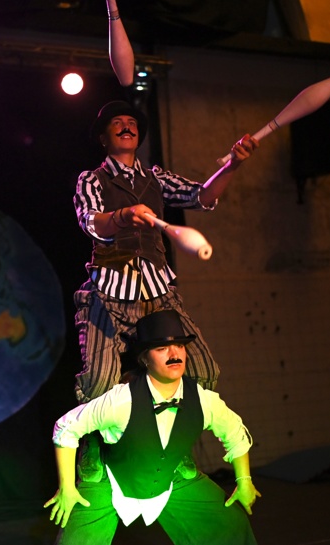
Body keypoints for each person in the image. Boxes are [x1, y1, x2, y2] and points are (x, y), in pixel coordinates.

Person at [73, 99, 258, 480]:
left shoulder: (155, 178)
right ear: (104, 138)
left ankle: (175, 442)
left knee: (203, 371)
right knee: (99, 380)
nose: (126, 126)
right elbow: (92, 222)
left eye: (131, 122)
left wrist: (232, 165)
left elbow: (202, 197)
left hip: (158, 292)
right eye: (117, 123)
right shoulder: (91, 180)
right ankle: (93, 444)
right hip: (109, 292)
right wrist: (123, 215)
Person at [44, 309, 261, 545]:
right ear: (145, 359)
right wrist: (66, 487)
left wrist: (244, 481)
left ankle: (178, 461)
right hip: (110, 475)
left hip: (169, 474)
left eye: (179, 346)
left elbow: (235, 434)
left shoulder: (204, 400)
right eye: (162, 349)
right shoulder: (121, 401)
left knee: (231, 524)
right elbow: (66, 428)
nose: (174, 354)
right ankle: (94, 451)